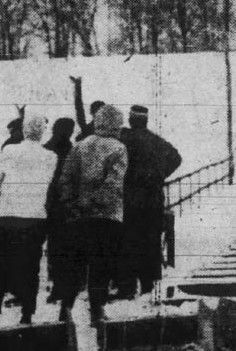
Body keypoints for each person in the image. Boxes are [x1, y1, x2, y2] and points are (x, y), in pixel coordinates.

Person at [0, 112, 57, 327]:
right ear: (42, 132)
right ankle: (27, 316)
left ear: (24, 129)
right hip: (35, 217)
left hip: (7, 216)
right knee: (30, 269)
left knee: (0, 269)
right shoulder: (51, 156)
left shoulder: (9, 150)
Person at [58, 104, 127, 325]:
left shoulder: (79, 146)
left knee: (75, 264)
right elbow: (113, 183)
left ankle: (65, 310)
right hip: (107, 217)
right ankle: (97, 311)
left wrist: (74, 204)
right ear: (117, 123)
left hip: (78, 217)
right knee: (101, 265)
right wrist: (95, 203)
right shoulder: (118, 148)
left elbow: (65, 180)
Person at [120, 105, 182, 297]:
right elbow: (176, 158)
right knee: (151, 242)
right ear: (145, 121)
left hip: (129, 199)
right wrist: (160, 175)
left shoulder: (124, 139)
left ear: (131, 120)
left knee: (128, 241)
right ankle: (149, 285)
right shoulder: (157, 141)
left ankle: (127, 287)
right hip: (153, 199)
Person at [43, 118, 76, 303]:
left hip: (48, 205)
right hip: (67, 206)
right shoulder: (73, 151)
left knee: (54, 248)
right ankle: (66, 287)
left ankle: (56, 287)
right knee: (67, 248)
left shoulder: (47, 148)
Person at [70, 76, 105, 141]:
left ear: (91, 112)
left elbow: (79, 111)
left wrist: (77, 86)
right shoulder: (111, 129)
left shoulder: (88, 129)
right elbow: (80, 111)